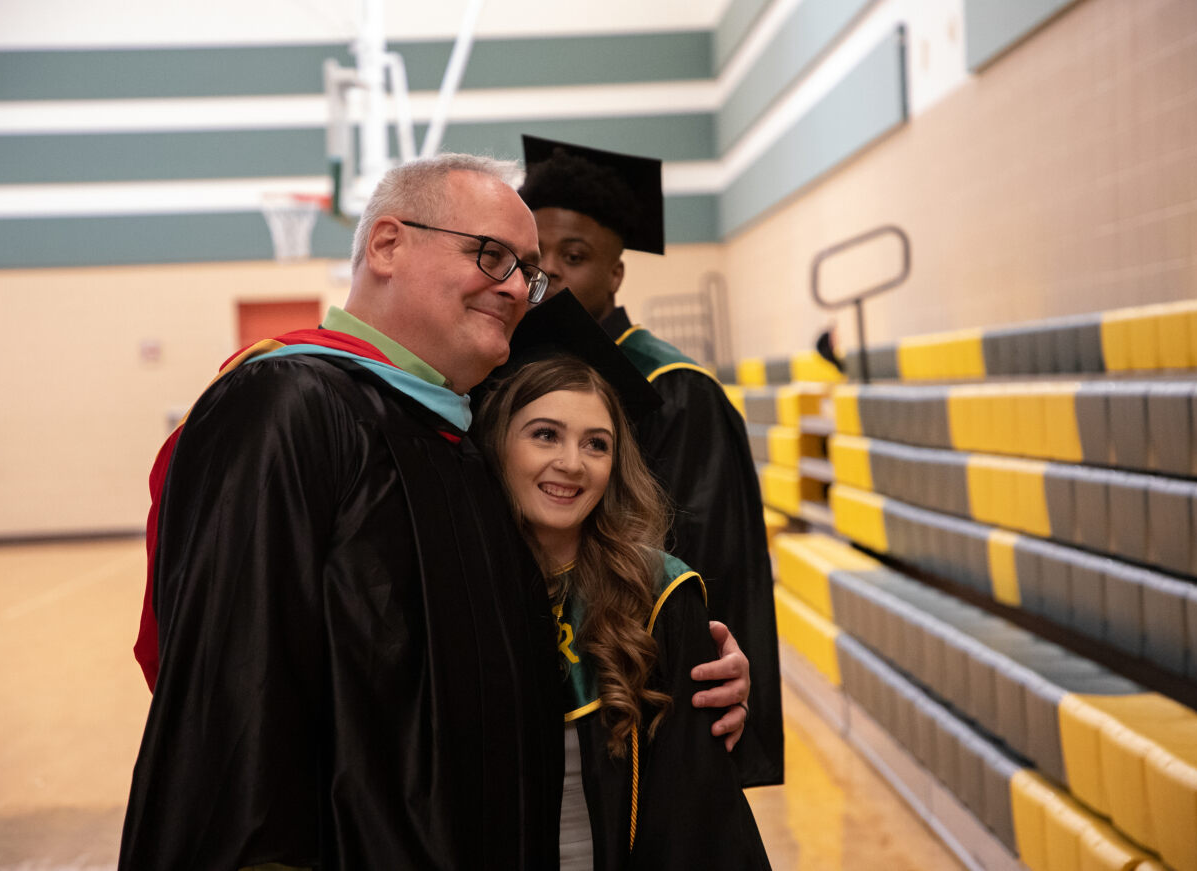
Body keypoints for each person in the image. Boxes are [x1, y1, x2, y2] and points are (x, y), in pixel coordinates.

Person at [122, 154, 749, 869]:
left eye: (527, 271)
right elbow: (235, 702)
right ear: (387, 244)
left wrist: (681, 654)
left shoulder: (456, 435)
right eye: (491, 256)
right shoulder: (288, 407)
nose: (517, 288)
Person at [519, 136, 784, 785]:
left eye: (574, 257)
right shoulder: (504, 370)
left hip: (642, 701)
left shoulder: (674, 388)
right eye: (534, 257)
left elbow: (712, 569)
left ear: (615, 274)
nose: (549, 273)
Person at [475, 292, 772, 870]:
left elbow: (696, 816)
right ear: (497, 441)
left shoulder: (658, 596)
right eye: (544, 435)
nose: (572, 463)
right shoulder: (459, 582)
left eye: (596, 443)